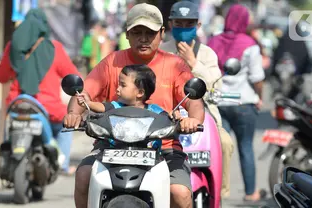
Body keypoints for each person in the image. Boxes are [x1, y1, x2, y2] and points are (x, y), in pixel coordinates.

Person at [63, 3, 205, 208]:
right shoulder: (111, 62)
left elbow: (194, 102)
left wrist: (192, 120)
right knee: (84, 176)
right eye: (137, 32)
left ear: (162, 33)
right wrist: (73, 113)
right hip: (111, 146)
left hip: (163, 147)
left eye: (150, 33)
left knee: (180, 193)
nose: (144, 38)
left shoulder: (175, 65)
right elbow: (85, 93)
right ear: (127, 35)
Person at [159, 0, 234, 198]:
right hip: (169, 113)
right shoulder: (162, 51)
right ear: (170, 24)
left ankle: (219, 192)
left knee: (225, 142)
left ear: (198, 26)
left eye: (189, 24)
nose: (183, 29)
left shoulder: (207, 53)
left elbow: (214, 86)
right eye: (179, 24)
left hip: (204, 115)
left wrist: (193, 62)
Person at [0, 8, 80, 176]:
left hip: (17, 105)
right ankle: (61, 164)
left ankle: (5, 160)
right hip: (48, 109)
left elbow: (1, 76)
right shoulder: (54, 48)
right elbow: (73, 76)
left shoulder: (13, 47)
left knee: (9, 130)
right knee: (66, 126)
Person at [207, 4, 266, 202]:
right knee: (245, 147)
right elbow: (257, 78)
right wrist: (260, 97)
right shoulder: (250, 44)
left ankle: (214, 192)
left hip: (217, 103)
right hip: (244, 103)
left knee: (219, 149)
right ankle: (251, 193)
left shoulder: (213, 41)